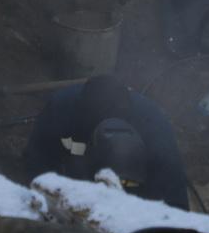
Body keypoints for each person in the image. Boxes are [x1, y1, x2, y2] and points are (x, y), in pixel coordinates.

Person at [22, 74, 189, 209]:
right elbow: (36, 165)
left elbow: (174, 198)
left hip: (135, 195)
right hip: (74, 184)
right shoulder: (61, 112)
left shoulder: (153, 127)